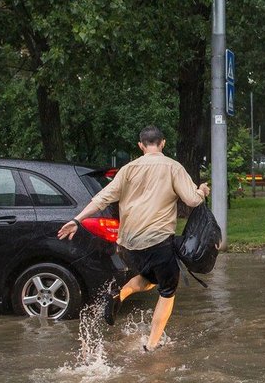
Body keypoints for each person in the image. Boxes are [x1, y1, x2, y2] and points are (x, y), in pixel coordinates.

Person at [56, 126, 210, 352]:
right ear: (163, 143)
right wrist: (202, 191)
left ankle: (118, 294)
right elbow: (192, 201)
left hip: (127, 246)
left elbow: (102, 198)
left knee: (149, 279)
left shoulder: (127, 169)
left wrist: (76, 220)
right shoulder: (172, 167)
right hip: (157, 243)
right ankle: (152, 345)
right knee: (168, 290)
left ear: (141, 145)